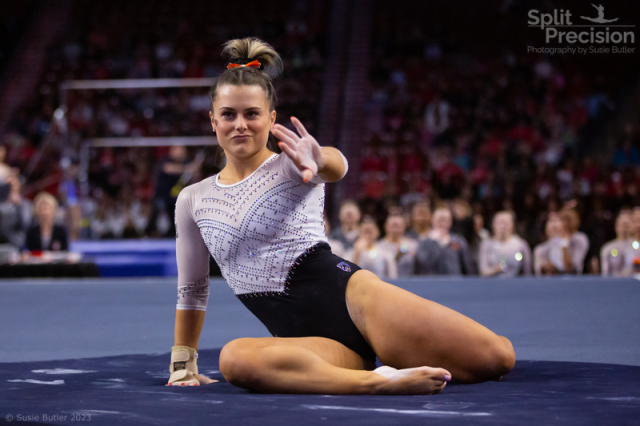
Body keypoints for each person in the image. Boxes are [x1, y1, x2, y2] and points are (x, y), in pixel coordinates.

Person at [169, 38, 514, 394]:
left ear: (271, 119)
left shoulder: (292, 164)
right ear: (213, 120)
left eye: (251, 114)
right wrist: (183, 364)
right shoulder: (193, 199)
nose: (240, 124)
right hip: (306, 343)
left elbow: (337, 165)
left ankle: (397, 361)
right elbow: (192, 289)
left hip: (356, 302)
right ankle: (377, 382)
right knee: (235, 359)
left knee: (497, 358)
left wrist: (316, 159)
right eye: (228, 114)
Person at [415, 207, 474, 275]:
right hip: (432, 282)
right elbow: (423, 265)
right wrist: (435, 242)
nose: (442, 223)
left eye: (445, 220)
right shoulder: (424, 241)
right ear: (433, 221)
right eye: (439, 220)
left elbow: (467, 266)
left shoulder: (459, 241)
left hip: (454, 282)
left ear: (450, 222)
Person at [479, 211, 532, 277]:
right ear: (493, 225)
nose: (502, 226)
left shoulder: (521, 245)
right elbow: (483, 271)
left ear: (512, 225)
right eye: (499, 223)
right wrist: (495, 270)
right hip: (492, 284)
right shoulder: (486, 244)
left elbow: (528, 273)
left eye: (505, 223)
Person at [600, 210, 633, 276]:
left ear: (632, 227)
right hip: (614, 283)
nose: (624, 229)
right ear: (616, 226)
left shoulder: (637, 247)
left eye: (627, 225)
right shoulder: (607, 248)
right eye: (622, 225)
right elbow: (605, 273)